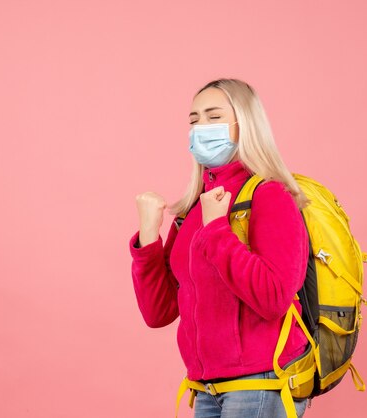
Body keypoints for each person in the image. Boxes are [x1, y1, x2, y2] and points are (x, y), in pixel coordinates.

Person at [129, 78, 312, 418]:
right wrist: (148, 238)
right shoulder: (192, 211)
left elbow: (274, 298)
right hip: (207, 388)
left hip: (260, 382)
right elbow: (159, 313)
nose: (201, 128)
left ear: (246, 125)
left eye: (214, 117)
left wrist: (217, 230)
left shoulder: (269, 195)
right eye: (194, 120)